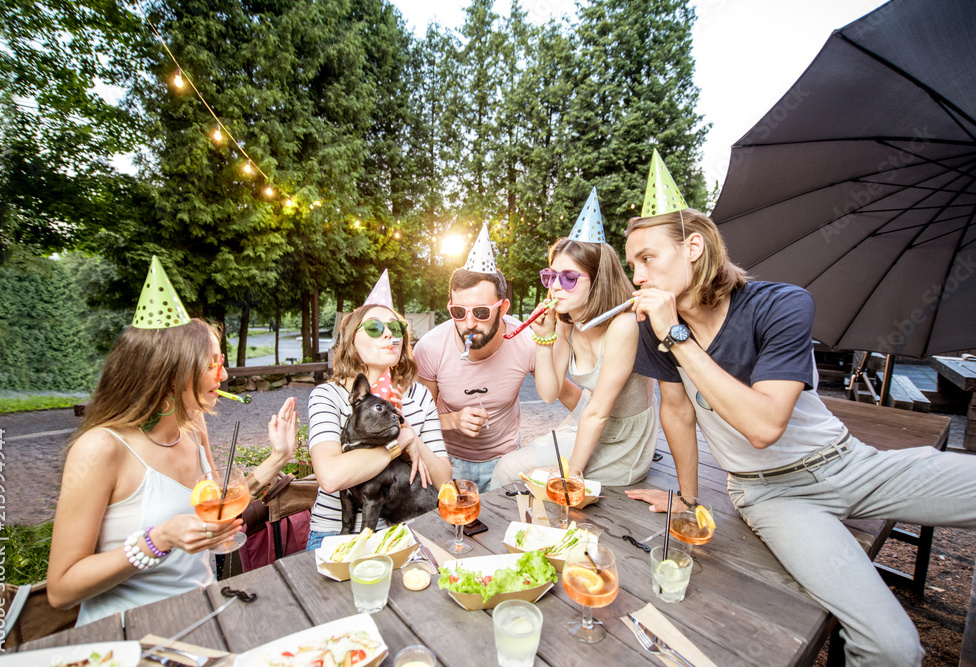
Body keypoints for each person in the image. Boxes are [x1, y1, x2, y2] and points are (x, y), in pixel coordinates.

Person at [624, 206, 976, 666]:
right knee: (891, 647)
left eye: (647, 259)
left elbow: (765, 422)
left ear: (694, 248)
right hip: (770, 494)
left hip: (848, 463)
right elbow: (677, 411)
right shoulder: (653, 331)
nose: (637, 277)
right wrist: (688, 501)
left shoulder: (780, 303)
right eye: (633, 265)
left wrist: (676, 335)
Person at [47, 258, 297, 625]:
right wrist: (158, 540)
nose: (224, 374)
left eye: (222, 360)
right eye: (212, 364)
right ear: (169, 371)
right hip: (126, 637)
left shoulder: (194, 427)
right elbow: (61, 588)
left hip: (202, 617)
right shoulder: (101, 448)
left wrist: (278, 456)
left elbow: (217, 506)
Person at [493, 189, 658, 487]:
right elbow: (547, 393)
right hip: (586, 423)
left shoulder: (623, 325)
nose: (556, 287)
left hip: (622, 437)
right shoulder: (568, 323)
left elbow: (598, 413)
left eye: (569, 278)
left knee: (533, 481)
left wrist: (572, 474)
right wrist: (544, 338)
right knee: (509, 468)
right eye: (551, 276)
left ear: (599, 280)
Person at [414, 226, 581, 492]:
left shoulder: (526, 339)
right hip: (446, 462)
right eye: (458, 311)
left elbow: (565, 393)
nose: (469, 323)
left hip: (506, 461)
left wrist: (608, 428)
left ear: (503, 308)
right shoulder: (430, 347)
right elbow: (416, 417)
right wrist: (453, 420)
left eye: (481, 312)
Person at [305, 297, 452, 551]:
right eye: (375, 328)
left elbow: (443, 480)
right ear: (351, 339)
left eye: (396, 329)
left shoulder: (418, 395)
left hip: (410, 531)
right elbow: (330, 477)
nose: (388, 334)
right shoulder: (328, 395)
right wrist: (398, 444)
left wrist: (411, 436)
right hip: (337, 535)